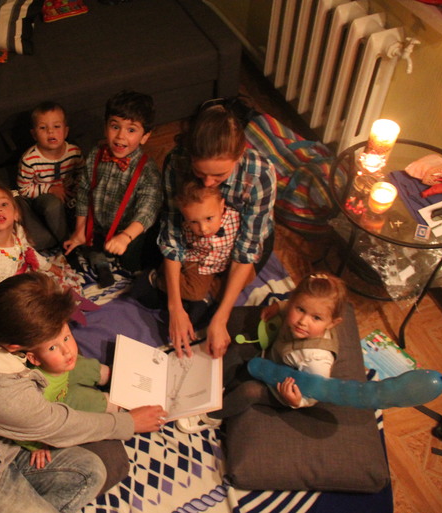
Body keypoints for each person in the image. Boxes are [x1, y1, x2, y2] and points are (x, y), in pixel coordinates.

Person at [0, 272, 167, 513]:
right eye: (51, 345)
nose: (66, 347)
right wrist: (128, 422)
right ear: (15, 348)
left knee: (95, 471)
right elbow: (60, 424)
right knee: (105, 461)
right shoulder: (1, 394)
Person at [158, 98, 276, 359]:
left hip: (239, 243)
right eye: (200, 174)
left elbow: (247, 250)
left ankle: (207, 297)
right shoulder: (176, 161)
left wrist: (221, 318)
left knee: (216, 311)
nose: (209, 183)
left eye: (220, 176)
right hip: (194, 240)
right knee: (181, 306)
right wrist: (174, 307)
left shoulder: (260, 174)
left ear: (240, 153)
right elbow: (172, 233)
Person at [181, 273, 347, 433]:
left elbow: (316, 392)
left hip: (281, 387)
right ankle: (210, 390)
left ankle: (211, 416)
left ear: (332, 323)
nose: (303, 321)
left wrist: (298, 401)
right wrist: (279, 306)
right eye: (300, 309)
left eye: (316, 318)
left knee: (249, 392)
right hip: (270, 358)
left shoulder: (317, 360)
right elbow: (293, 304)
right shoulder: (297, 311)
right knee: (236, 352)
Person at [63, 89, 162, 288]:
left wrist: (125, 237)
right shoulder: (95, 154)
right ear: (105, 126)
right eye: (115, 126)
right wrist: (80, 230)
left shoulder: (147, 170)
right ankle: (100, 263)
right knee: (82, 243)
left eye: (131, 130)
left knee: (132, 263)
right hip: (99, 225)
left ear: (145, 136)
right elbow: (84, 192)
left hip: (130, 231)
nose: (120, 136)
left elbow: (147, 211)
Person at [18, 321, 117, 469]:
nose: (67, 350)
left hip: (61, 379)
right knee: (91, 401)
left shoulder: (65, 358)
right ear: (35, 359)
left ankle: (111, 375)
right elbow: (23, 423)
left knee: (83, 365)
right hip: (57, 401)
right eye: (52, 348)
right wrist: (35, 446)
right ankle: (118, 404)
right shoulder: (37, 391)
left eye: (66, 338)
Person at [148, 175, 242, 331]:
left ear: (221, 206)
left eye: (209, 218)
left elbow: (246, 249)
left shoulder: (236, 218)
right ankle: (157, 279)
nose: (203, 229)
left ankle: (210, 291)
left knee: (244, 276)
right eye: (193, 222)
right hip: (199, 261)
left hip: (223, 261)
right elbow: (176, 249)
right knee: (196, 293)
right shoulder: (184, 227)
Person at [0, 184, 84, 294]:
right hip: (11, 298)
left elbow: (27, 250)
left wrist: (48, 266)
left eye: (4, 204)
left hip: (25, 280)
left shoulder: (18, 231)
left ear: (16, 214)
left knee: (65, 286)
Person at [16, 101, 85, 249]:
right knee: (53, 206)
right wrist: (50, 189)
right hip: (45, 199)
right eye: (43, 128)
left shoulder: (74, 152)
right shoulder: (29, 160)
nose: (50, 132)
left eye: (56, 126)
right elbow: (23, 190)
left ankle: (85, 237)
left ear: (66, 131)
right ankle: (66, 244)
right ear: (34, 134)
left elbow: (83, 174)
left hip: (71, 196)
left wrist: (77, 187)